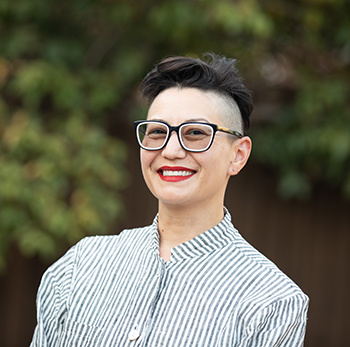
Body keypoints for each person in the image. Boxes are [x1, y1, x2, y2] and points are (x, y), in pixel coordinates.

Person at [31, 53, 309, 346]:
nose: (172, 150)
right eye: (157, 132)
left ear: (238, 155)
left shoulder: (272, 302)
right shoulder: (80, 266)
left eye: (195, 133)